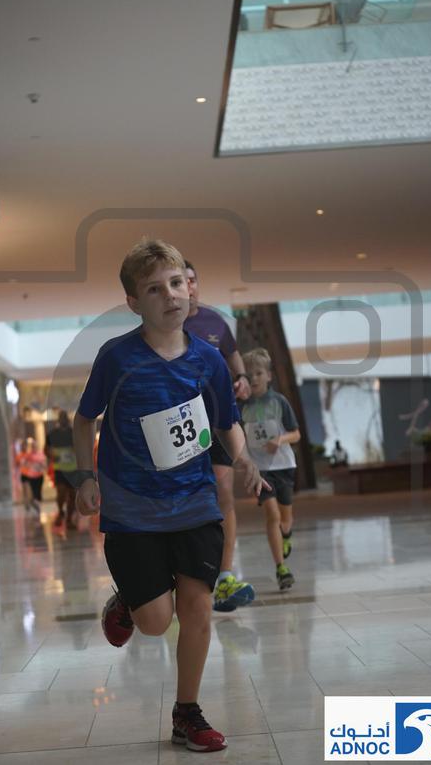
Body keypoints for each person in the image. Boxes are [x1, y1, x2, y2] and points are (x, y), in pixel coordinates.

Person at [73, 239, 268, 753]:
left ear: (190, 288)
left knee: (198, 607)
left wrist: (245, 460)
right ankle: (129, 601)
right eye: (155, 289)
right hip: (132, 508)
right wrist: (86, 477)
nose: (171, 295)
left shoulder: (209, 360)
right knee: (156, 623)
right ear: (134, 303)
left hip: (196, 501)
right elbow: (84, 420)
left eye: (177, 283)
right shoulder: (117, 357)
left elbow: (227, 422)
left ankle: (188, 713)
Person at [184, 260, 255, 613]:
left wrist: (242, 378)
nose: (187, 287)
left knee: (223, 494)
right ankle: (183, 575)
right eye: (180, 281)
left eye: (191, 280)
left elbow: (233, 355)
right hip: (181, 426)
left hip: (217, 422)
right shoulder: (164, 325)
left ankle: (225, 576)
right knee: (189, 498)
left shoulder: (215, 321)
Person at [242, 348, 301, 590]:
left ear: (268, 375)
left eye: (258, 373)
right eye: (249, 374)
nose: (254, 378)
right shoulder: (240, 406)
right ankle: (281, 569)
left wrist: (279, 440)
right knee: (272, 515)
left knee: (285, 519)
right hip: (261, 471)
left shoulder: (279, 402)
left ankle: (286, 534)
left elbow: (296, 434)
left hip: (284, 466)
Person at [45, 410, 78, 528]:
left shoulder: (73, 433)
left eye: (65, 417)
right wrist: (52, 455)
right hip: (60, 468)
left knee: (73, 494)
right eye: (61, 417)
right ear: (59, 420)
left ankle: (69, 519)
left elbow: (81, 446)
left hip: (73, 468)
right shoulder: (53, 434)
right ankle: (60, 512)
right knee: (61, 492)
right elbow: (46, 449)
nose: (63, 420)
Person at [15, 437, 46, 516]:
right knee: (30, 490)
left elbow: (44, 464)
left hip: (39, 475)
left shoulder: (40, 454)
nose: (34, 447)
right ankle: (30, 503)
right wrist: (29, 465)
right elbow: (21, 464)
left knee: (37, 491)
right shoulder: (27, 455)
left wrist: (41, 466)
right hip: (29, 475)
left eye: (35, 446)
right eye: (33, 446)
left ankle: (35, 502)